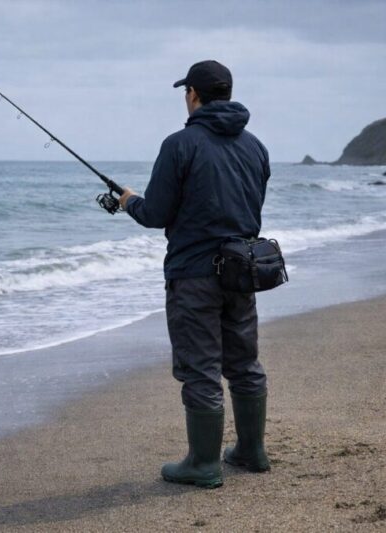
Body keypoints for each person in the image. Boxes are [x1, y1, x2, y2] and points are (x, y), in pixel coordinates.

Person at [119, 60, 271, 488]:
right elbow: (249, 210)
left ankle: (204, 464)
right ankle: (251, 451)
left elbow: (156, 213)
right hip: (243, 269)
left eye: (186, 92)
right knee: (244, 362)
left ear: (193, 95)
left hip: (194, 275)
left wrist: (130, 201)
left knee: (201, 368)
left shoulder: (180, 144)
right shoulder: (256, 146)